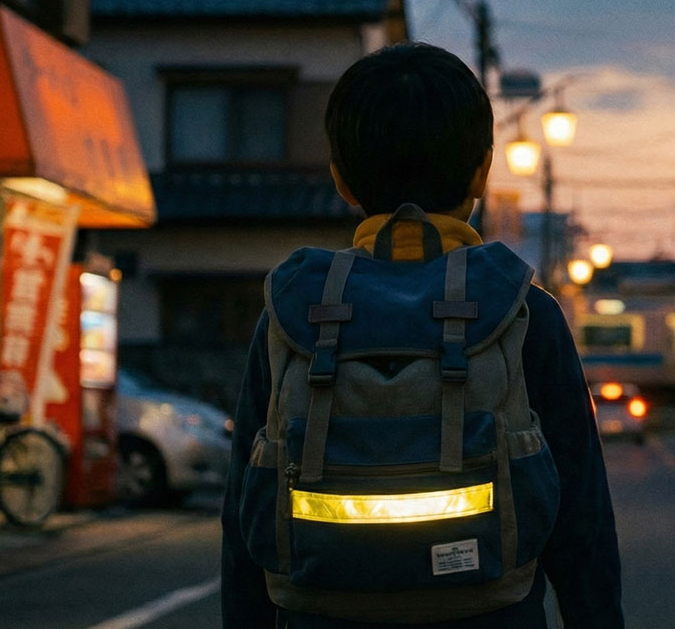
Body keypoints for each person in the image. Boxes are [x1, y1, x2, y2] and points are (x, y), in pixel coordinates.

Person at [220, 42, 624, 629]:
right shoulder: (522, 310)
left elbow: (242, 520)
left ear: (341, 180)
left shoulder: (294, 311)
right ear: (483, 170)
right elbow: (583, 524)